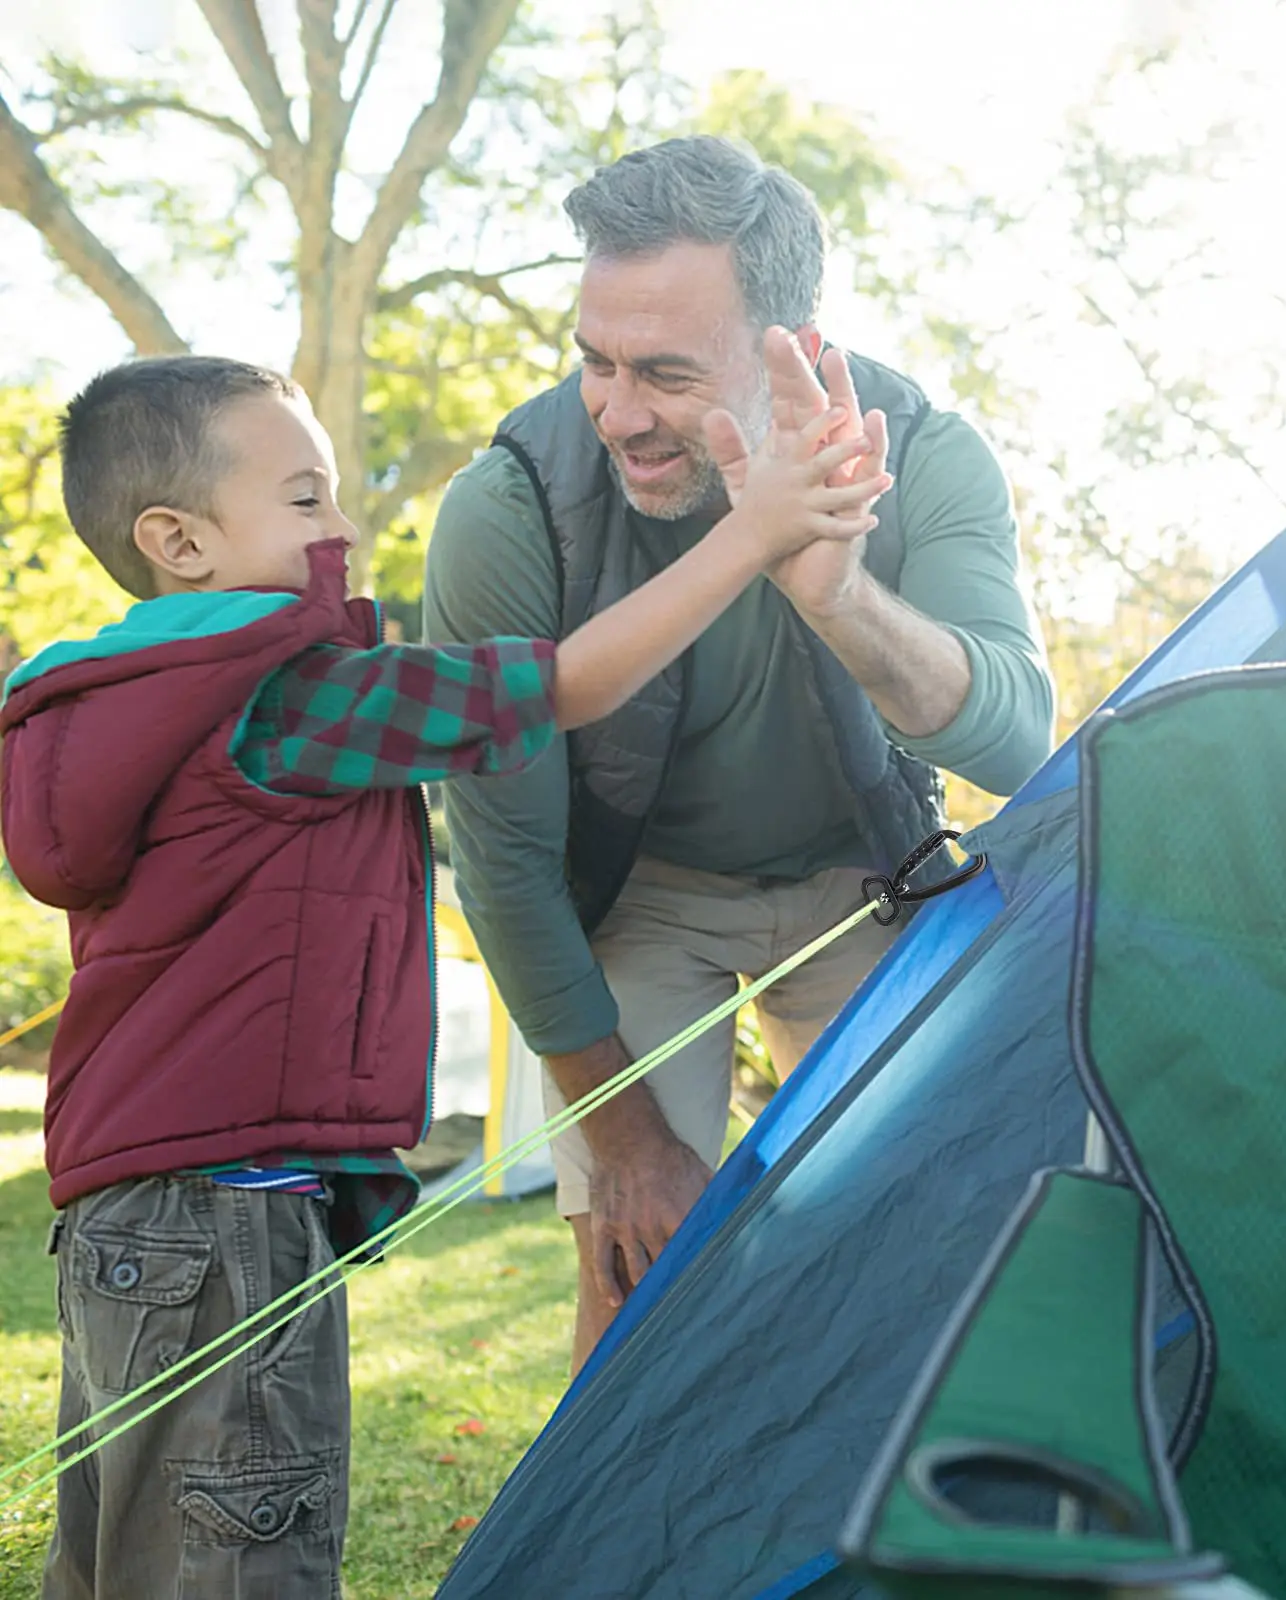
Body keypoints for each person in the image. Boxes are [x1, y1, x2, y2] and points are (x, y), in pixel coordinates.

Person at [0, 352, 886, 1598]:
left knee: (117, 1559)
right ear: (178, 540)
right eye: (306, 499)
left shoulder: (110, 711)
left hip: (119, 1224)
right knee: (244, 1555)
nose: (346, 524)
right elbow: (568, 681)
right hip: (235, 1216)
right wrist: (756, 531)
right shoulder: (293, 701)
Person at [423, 135, 1056, 1374]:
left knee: (938, 1234)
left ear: (793, 354)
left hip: (856, 879)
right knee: (636, 1266)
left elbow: (1021, 742)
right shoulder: (506, 509)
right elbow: (502, 860)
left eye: (663, 372)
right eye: (593, 361)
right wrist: (626, 1144)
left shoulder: (924, 455)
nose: (617, 412)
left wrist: (842, 601)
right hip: (644, 897)